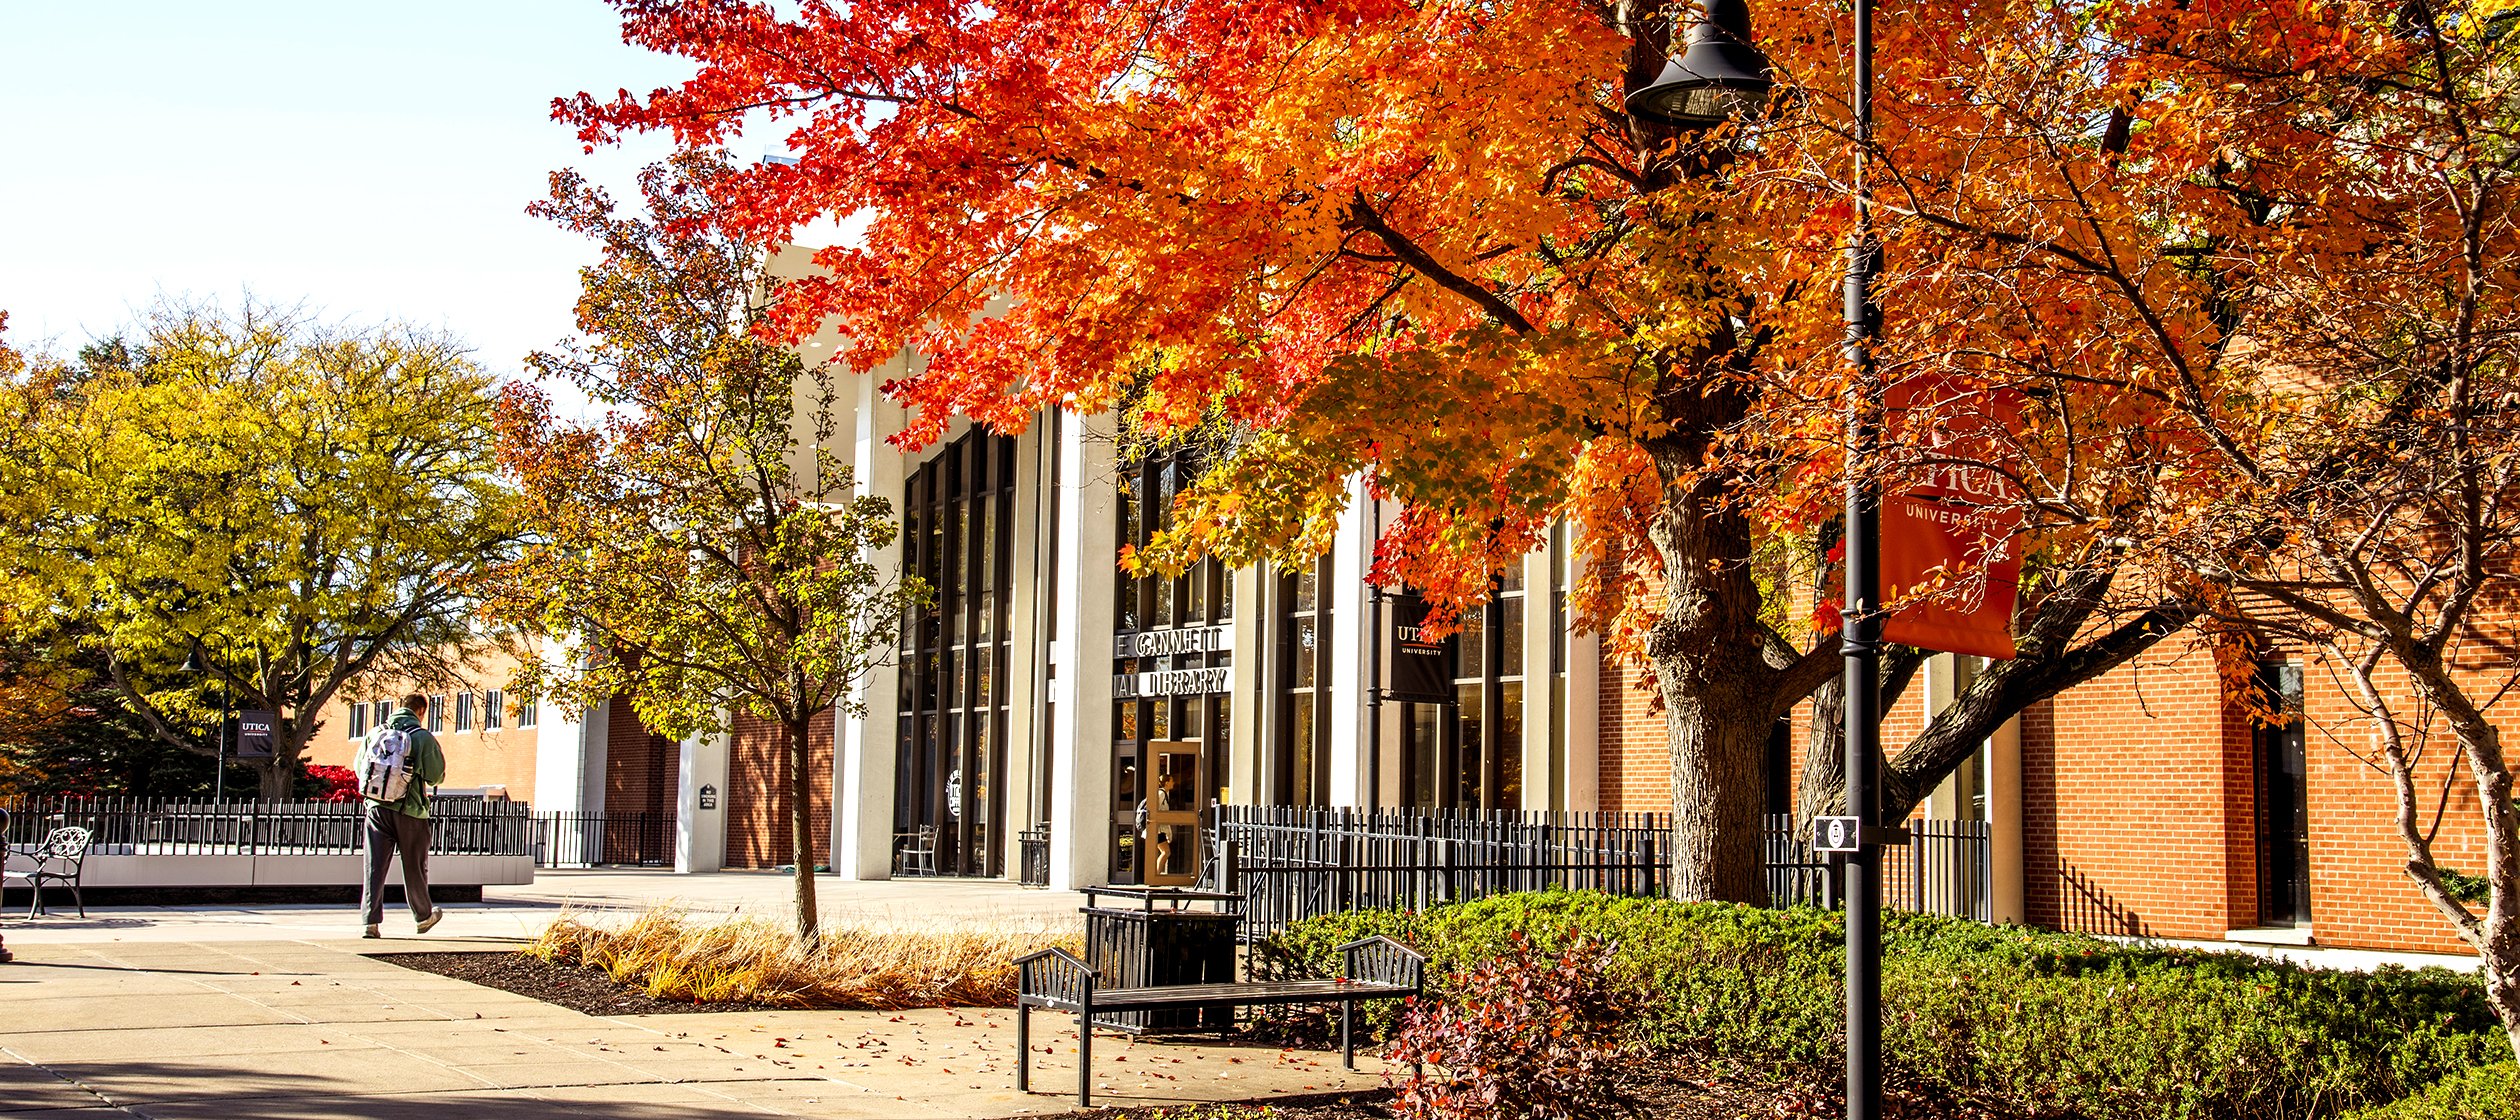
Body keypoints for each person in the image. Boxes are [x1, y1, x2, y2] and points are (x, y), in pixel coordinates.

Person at [360, 692, 447, 938]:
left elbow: (360, 769)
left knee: (374, 866)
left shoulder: (375, 734)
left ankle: (370, 922)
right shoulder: (421, 738)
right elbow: (436, 776)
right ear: (421, 712)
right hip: (410, 810)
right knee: (415, 865)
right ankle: (423, 916)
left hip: (376, 809)